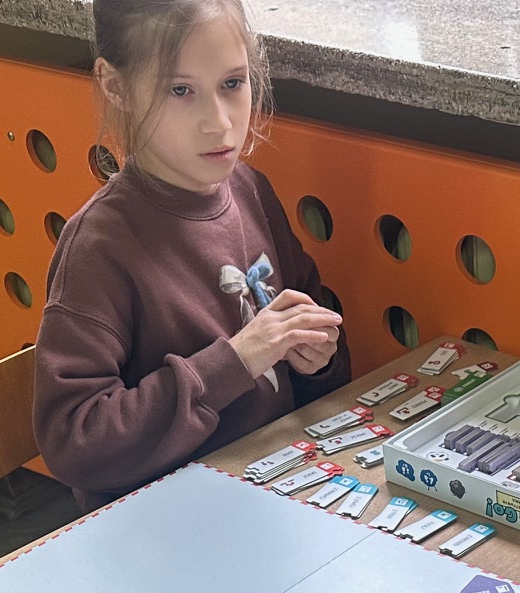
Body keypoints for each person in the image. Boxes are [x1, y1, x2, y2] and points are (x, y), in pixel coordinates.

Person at [33, 0, 349, 505]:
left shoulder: (252, 190)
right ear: (115, 86)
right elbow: (75, 442)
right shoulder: (98, 249)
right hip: (163, 524)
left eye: (233, 83)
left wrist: (318, 360)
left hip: (274, 491)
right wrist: (235, 362)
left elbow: (316, 357)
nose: (219, 123)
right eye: (180, 91)